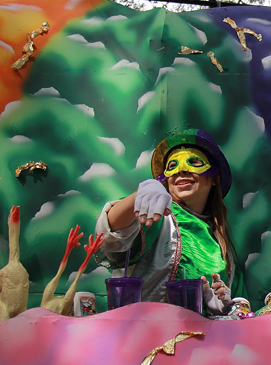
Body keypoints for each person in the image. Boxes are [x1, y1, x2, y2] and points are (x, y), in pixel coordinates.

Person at [96, 129, 246, 315]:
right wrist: (137, 198)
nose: (182, 170)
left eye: (194, 162)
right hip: (147, 331)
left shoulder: (225, 252)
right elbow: (109, 236)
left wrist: (225, 307)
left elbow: (241, 314)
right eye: (173, 165)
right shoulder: (158, 217)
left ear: (214, 177)